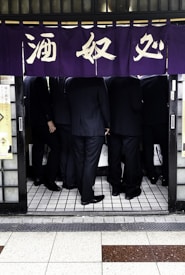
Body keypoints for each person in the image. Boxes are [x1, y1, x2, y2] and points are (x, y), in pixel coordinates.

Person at [65, 77, 110, 205]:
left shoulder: (70, 81)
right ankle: (86, 196)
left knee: (79, 160)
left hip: (75, 128)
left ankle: (82, 188)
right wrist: (108, 124)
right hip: (94, 128)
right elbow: (104, 104)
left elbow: (67, 104)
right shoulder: (98, 81)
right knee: (90, 162)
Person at [106, 76, 143, 200]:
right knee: (130, 158)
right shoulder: (135, 82)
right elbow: (137, 105)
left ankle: (115, 188)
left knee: (114, 157)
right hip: (131, 127)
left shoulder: (108, 81)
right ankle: (130, 190)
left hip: (114, 126)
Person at [24, 76, 61, 191]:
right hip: (43, 121)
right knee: (56, 147)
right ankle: (50, 180)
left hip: (33, 121)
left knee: (38, 148)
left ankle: (38, 177)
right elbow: (44, 101)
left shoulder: (26, 79)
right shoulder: (40, 79)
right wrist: (49, 120)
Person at [49, 77, 77, 189]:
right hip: (70, 120)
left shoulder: (53, 77)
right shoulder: (71, 79)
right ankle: (69, 181)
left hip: (58, 119)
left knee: (63, 149)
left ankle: (63, 176)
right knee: (71, 150)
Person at [141, 75, 169, 186]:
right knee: (165, 150)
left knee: (148, 149)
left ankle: (152, 175)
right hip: (162, 120)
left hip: (146, 120)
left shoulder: (141, 81)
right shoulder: (164, 80)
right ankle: (166, 176)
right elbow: (169, 98)